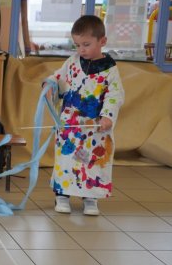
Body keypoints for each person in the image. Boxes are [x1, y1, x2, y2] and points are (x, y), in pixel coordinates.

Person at [48, 15, 125, 216]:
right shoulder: (73, 61)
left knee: (92, 161)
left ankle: (90, 198)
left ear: (102, 41)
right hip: (70, 125)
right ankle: (62, 194)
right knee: (66, 159)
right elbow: (58, 77)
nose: (81, 50)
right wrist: (49, 84)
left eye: (86, 44)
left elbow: (115, 95)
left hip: (95, 128)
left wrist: (108, 116)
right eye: (77, 45)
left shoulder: (110, 69)